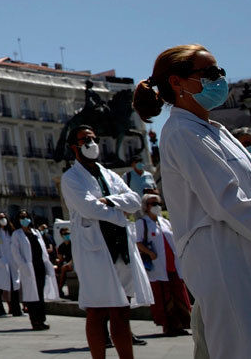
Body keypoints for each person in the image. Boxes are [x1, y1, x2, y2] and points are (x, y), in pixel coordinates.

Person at [139, 45, 251, 359]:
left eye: (219, 70)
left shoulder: (217, 131)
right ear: (177, 82)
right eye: (208, 72)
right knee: (247, 349)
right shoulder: (181, 132)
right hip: (227, 262)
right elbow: (226, 200)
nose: (219, 78)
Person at [61, 125, 151, 359]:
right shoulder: (71, 178)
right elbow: (88, 207)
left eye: (93, 138)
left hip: (121, 247)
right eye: (85, 140)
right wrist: (120, 212)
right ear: (74, 146)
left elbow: (134, 200)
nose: (91, 143)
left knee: (122, 310)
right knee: (97, 311)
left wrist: (109, 201)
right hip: (95, 249)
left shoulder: (110, 175)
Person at [133, 193, 190, 337]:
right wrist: (149, 253)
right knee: (163, 296)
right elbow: (137, 242)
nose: (157, 206)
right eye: (153, 204)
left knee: (178, 293)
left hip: (173, 265)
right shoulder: (142, 223)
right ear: (146, 207)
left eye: (159, 203)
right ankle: (169, 326)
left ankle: (180, 324)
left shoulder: (165, 222)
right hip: (157, 266)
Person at [10, 209, 55, 331]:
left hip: (40, 265)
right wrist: (23, 266)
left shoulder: (36, 232)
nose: (24, 219)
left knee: (40, 294)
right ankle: (35, 321)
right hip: (28, 267)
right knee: (32, 296)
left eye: (26, 216)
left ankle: (42, 319)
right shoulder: (17, 234)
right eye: (21, 217)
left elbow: (43, 249)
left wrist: (47, 263)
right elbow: (15, 253)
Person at [0, 212, 22, 318]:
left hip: (12, 263)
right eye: (0, 218)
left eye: (4, 217)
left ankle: (16, 310)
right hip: (1, 263)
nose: (3, 219)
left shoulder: (11, 232)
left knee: (15, 287)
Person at [54, 227, 73, 298]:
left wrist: (69, 263)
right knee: (55, 269)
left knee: (63, 268)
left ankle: (59, 288)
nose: (67, 235)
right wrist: (57, 265)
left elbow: (75, 256)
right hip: (67, 264)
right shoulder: (61, 246)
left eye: (68, 233)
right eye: (65, 234)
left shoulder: (73, 244)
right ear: (61, 235)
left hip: (73, 263)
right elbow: (60, 259)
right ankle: (57, 289)